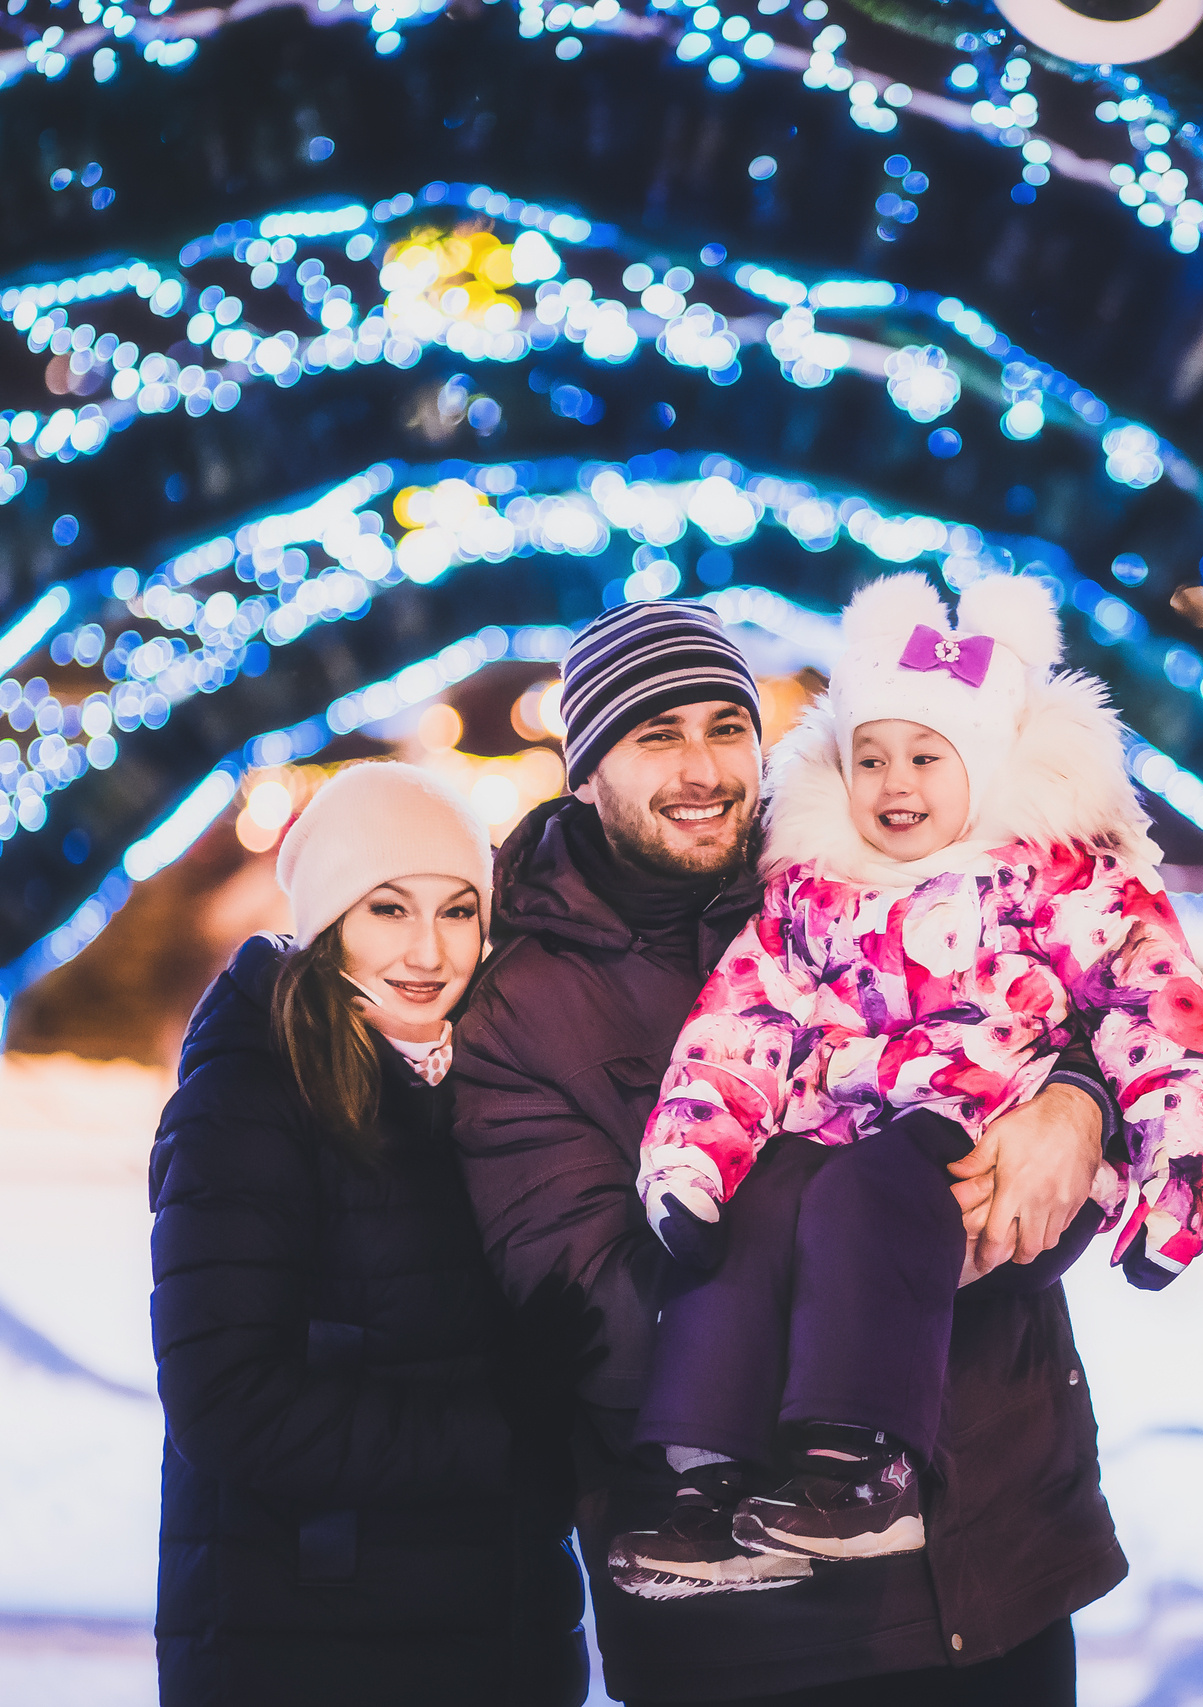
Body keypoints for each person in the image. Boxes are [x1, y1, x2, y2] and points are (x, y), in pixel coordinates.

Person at [452, 594, 1141, 1705]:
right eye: (655, 735)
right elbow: (594, 1320)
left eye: (726, 728)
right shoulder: (525, 1012)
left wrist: (1079, 1100)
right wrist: (878, 1268)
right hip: (760, 1637)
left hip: (1000, 1567)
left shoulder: (871, 878)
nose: (702, 769)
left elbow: (1077, 1017)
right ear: (583, 769)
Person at [609, 572, 1203, 1592]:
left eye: (925, 757)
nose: (895, 783)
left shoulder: (1061, 881)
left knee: (863, 1186)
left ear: (984, 765)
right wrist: (691, 1155)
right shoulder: (810, 890)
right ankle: (703, 1479)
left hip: (986, 1139)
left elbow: (1158, 1019)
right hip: (847, 1151)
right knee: (762, 1203)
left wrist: (1178, 1183)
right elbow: (741, 1022)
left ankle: (860, 1468)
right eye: (871, 758)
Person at [149, 762, 587, 1705]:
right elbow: (224, 1398)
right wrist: (501, 1432)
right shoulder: (251, 1094)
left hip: (492, 1635)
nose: (429, 949)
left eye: (459, 909)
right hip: (305, 1641)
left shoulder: (494, 1082)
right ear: (329, 920)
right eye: (389, 907)